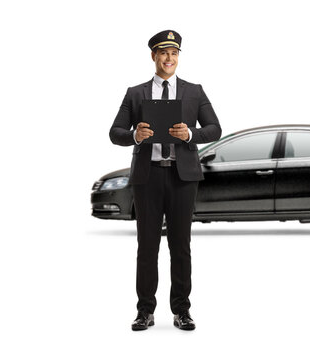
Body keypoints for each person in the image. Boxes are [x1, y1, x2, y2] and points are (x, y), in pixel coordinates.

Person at [109, 29, 222, 331]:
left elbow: (214, 129)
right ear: (154, 56)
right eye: (163, 53)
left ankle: (181, 310)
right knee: (147, 246)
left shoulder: (194, 91)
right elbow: (115, 132)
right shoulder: (136, 92)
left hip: (182, 177)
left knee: (180, 245)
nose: (169, 58)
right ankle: (145, 311)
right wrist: (134, 135)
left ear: (177, 57)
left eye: (174, 53)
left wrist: (190, 134)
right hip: (147, 178)